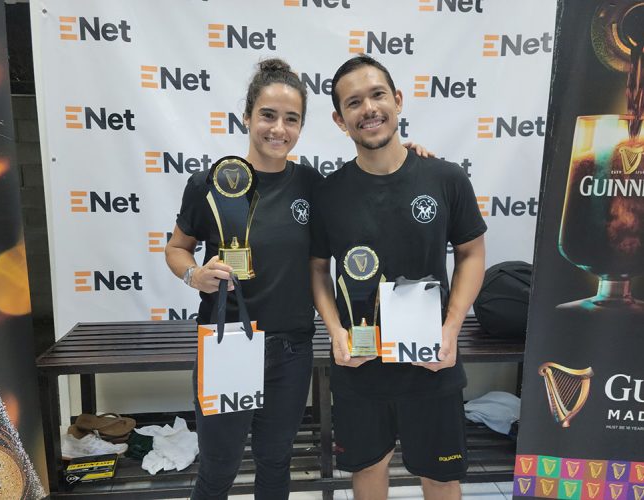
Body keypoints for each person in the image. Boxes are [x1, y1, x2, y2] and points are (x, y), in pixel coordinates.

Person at [165, 57, 432, 499]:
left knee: (275, 462)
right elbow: (177, 249)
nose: (278, 129)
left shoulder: (312, 184)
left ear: (303, 126)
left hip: (291, 349)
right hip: (226, 340)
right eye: (268, 115)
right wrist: (193, 274)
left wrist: (416, 158)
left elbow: (374, 180)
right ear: (247, 116)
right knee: (219, 466)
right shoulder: (209, 184)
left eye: (292, 119)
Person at [310, 54, 487, 500]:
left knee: (442, 477)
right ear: (339, 119)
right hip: (360, 366)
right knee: (368, 469)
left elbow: (470, 253)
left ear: (398, 100)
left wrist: (451, 329)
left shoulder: (445, 178)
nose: (368, 108)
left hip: (432, 362)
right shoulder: (328, 194)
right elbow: (316, 270)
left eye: (377, 95)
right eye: (353, 102)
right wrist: (335, 332)